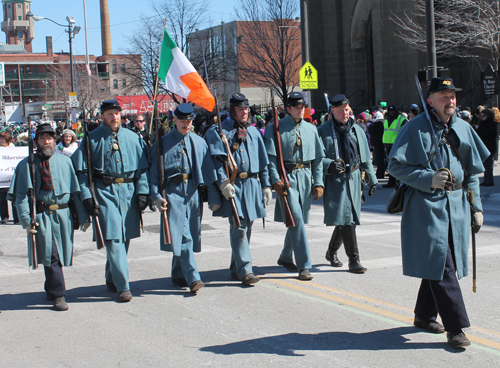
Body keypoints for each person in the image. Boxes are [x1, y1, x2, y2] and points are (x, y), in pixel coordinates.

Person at [388, 77, 489, 349]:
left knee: (441, 263)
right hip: (426, 208)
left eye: (452, 95)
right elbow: (396, 166)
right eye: (443, 96)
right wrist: (427, 178)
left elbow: (471, 173)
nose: (450, 100)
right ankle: (456, 327)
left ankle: (423, 315)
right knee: (443, 265)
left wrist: (476, 207)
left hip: (457, 207)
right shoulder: (414, 128)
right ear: (430, 100)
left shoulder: (463, 128)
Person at [72, 100, 150, 303]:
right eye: (109, 114)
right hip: (104, 192)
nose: (114, 117)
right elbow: (82, 173)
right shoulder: (91, 139)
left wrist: (142, 192)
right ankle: (123, 286)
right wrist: (87, 197)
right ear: (102, 116)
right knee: (113, 238)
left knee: (124, 239)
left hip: (129, 192)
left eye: (116, 113)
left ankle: (111, 276)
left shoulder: (133, 138)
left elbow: (142, 170)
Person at [8, 123, 89, 311]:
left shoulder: (65, 162)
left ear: (55, 140)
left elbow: (75, 193)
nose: (47, 141)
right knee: (51, 253)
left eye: (50, 138)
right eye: (43, 138)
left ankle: (50, 286)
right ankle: (59, 294)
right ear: (36, 141)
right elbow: (21, 195)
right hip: (41, 215)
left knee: (57, 254)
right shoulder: (26, 164)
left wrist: (83, 216)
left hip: (63, 215)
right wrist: (27, 220)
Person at [150, 103, 218, 293]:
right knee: (184, 235)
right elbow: (154, 174)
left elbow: (209, 172)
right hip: (172, 194)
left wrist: (213, 197)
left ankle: (177, 272)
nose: (186, 124)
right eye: (182, 121)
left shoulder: (199, 142)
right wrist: (156, 196)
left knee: (188, 233)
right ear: (175, 120)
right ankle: (193, 277)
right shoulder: (162, 143)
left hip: (193, 194)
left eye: (189, 121)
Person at [204, 93, 271, 285]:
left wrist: (266, 185)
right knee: (239, 227)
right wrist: (223, 183)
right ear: (232, 111)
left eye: (247, 109)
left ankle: (235, 267)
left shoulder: (255, 132)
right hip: (232, 186)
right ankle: (246, 271)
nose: (245, 113)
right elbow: (215, 162)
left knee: (247, 227)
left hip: (251, 184)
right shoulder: (218, 132)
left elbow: (263, 162)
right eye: (241, 109)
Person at [264, 92, 324, 280]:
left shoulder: (311, 128)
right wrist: (275, 181)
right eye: (297, 106)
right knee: (296, 219)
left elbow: (318, 159)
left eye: (303, 106)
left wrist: (318, 182)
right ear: (288, 109)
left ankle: (285, 256)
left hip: (305, 177)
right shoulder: (275, 128)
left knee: (298, 220)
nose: (301, 109)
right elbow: (271, 159)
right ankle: (304, 265)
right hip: (287, 178)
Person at [318, 95, 378, 273]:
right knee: (347, 220)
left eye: (346, 109)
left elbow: (365, 157)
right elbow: (316, 158)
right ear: (332, 111)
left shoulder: (357, 129)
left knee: (345, 219)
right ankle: (354, 260)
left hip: (353, 178)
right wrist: (329, 164)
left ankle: (331, 251)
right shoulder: (323, 131)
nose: (345, 113)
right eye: (340, 110)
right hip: (336, 181)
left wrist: (372, 181)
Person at [383, 105, 407, 188]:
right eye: (390, 111)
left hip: (397, 144)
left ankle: (398, 181)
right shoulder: (387, 119)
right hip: (388, 144)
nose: (391, 113)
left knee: (397, 163)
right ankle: (391, 181)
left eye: (393, 111)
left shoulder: (401, 119)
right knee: (391, 164)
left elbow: (406, 131)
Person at [0, 128, 19, 224]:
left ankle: (16, 217)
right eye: (0, 139)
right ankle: (4, 216)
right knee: (2, 199)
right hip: (2, 179)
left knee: (14, 199)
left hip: (12, 178)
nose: (1, 141)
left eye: (3, 139)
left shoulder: (13, 149)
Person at [476, 108, 498, 186]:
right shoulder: (484, 123)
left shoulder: (492, 123)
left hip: (489, 146)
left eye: (483, 115)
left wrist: (479, 129)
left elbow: (489, 133)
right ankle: (486, 180)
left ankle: (489, 181)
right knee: (485, 164)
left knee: (488, 165)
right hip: (484, 145)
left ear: (488, 115)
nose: (481, 117)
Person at [368, 111, 385, 179]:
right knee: (382, 159)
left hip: (378, 143)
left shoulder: (377, 123)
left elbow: (370, 128)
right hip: (384, 143)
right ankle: (381, 172)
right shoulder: (384, 122)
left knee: (378, 160)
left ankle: (380, 173)